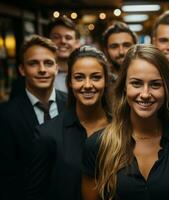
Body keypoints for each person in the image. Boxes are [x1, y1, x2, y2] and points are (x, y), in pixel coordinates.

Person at [81, 44, 169, 200]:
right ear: (124, 87)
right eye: (136, 83)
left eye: (155, 84)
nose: (145, 94)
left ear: (166, 89)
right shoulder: (98, 144)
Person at [26, 45, 111, 200]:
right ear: (70, 82)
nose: (87, 85)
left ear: (106, 81)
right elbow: (36, 194)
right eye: (79, 77)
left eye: (96, 77)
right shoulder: (48, 134)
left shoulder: (123, 126)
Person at [0, 35, 67, 200]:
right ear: (22, 70)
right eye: (33, 63)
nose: (42, 69)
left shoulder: (72, 106)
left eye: (48, 63)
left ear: (56, 68)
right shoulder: (5, 116)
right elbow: (5, 175)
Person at [48, 15, 80, 92]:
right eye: (56, 37)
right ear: (48, 41)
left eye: (68, 38)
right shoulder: (39, 75)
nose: (63, 41)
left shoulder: (86, 73)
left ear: (77, 43)